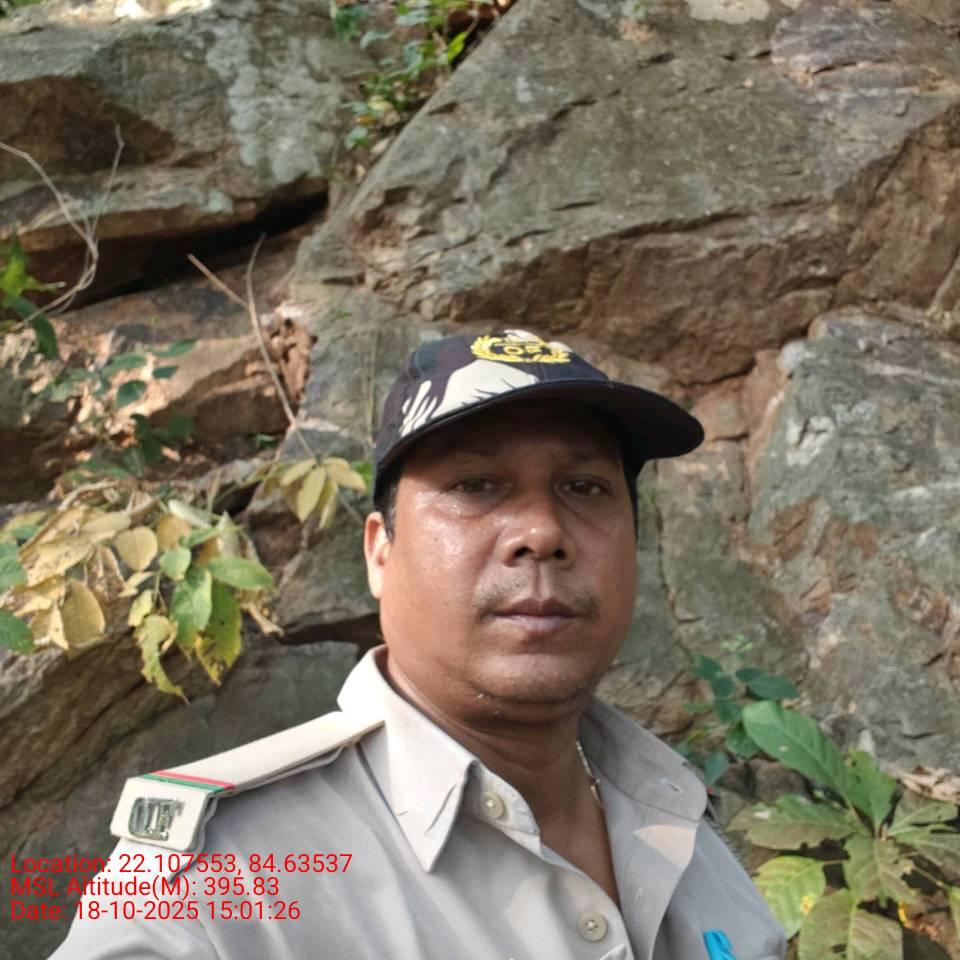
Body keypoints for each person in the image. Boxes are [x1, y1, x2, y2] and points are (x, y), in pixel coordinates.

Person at [50, 329, 786, 960]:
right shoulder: (214, 880)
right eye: (476, 485)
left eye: (585, 488)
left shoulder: (679, 825)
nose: (543, 532)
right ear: (380, 553)